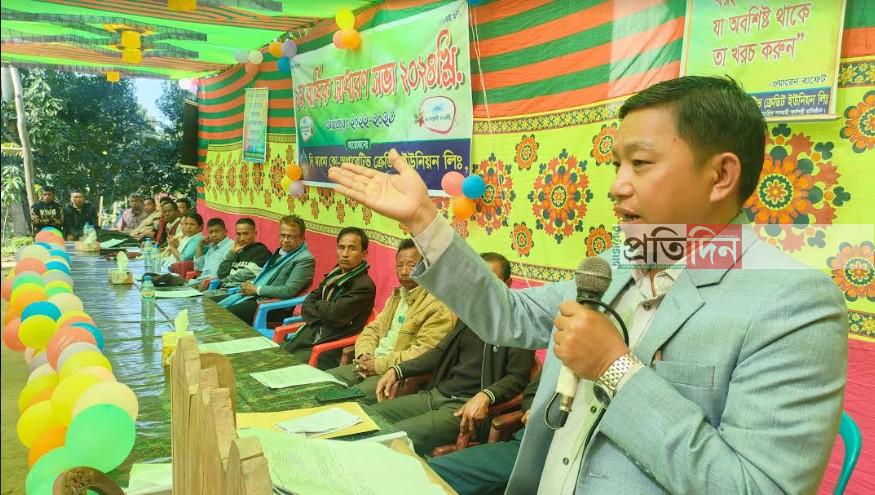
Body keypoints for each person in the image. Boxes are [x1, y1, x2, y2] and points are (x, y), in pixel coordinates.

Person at [328, 76, 848, 494]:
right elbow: (506, 315)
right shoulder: (615, 265)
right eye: (618, 164)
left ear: (720, 176)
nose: (617, 186)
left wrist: (613, 368)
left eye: (640, 163)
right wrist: (424, 220)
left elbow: (757, 486)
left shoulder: (792, 301)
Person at [368, 252, 534, 456]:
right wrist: (398, 370)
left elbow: (517, 377)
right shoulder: (470, 316)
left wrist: (486, 395)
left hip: (463, 408)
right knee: (369, 417)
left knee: (393, 437)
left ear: (508, 284)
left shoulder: (519, 326)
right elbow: (438, 353)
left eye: (492, 281)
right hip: (435, 395)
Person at [325, 238, 456, 403]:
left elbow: (423, 354)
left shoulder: (438, 306)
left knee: (340, 402)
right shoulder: (398, 296)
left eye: (412, 265)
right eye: (400, 265)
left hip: (394, 374)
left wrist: (378, 365)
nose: (404, 271)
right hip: (369, 364)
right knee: (321, 382)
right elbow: (372, 329)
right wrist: (364, 354)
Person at [428, 375, 541, 495]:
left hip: (546, 460)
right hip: (529, 444)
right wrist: (531, 410)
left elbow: (517, 378)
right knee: (434, 472)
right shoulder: (554, 367)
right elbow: (532, 393)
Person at [284, 227, 376, 369]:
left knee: (284, 366)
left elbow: (334, 315)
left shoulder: (364, 286)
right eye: (341, 247)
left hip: (329, 348)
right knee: (272, 357)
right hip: (313, 335)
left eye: (352, 249)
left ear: (364, 254)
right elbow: (308, 303)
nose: (345, 254)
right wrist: (324, 309)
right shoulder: (335, 274)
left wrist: (319, 304)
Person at [217, 215, 316, 325]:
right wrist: (251, 284)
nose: (285, 240)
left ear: (302, 238)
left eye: (290, 236)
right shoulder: (282, 252)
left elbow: (289, 290)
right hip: (257, 298)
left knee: (222, 317)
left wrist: (257, 289)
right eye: (283, 235)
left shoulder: (305, 259)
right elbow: (266, 277)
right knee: (212, 304)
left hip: (274, 307)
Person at [214, 217, 271, 288]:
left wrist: (224, 281)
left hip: (241, 291)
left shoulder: (260, 251)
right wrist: (232, 253)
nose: (242, 238)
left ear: (255, 233)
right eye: (239, 234)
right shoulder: (237, 251)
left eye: (246, 234)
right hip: (226, 288)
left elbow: (248, 274)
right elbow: (221, 274)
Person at [190, 218, 233, 288]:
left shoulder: (230, 246)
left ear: (225, 231)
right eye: (210, 232)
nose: (213, 235)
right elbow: (198, 268)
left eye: (217, 231)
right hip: (200, 281)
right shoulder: (211, 247)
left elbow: (225, 273)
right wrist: (200, 246)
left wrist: (208, 281)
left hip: (213, 283)